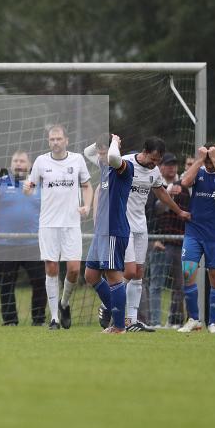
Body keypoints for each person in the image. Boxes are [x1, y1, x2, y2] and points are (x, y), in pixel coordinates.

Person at [23, 124, 92, 330]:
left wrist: (87, 205)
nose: (55, 142)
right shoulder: (41, 162)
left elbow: (87, 186)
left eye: (58, 139)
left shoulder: (77, 159)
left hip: (71, 224)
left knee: (73, 270)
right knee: (51, 268)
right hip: (48, 224)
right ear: (48, 141)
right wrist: (27, 188)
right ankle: (53, 318)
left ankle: (64, 303)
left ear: (66, 140)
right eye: (52, 139)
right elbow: (30, 187)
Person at [120, 138, 190, 332]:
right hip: (122, 226)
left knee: (139, 273)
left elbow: (161, 193)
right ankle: (111, 303)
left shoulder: (154, 171)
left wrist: (179, 211)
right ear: (144, 151)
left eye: (158, 161)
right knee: (129, 271)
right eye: (153, 159)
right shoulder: (125, 163)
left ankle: (131, 320)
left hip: (141, 227)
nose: (155, 164)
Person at [178, 143, 215, 333]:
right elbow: (184, 182)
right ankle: (194, 319)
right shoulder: (198, 172)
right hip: (194, 232)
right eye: (208, 159)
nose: (210, 163)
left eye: (214, 158)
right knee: (188, 272)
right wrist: (200, 160)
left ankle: (213, 322)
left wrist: (214, 158)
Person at [83, 134, 134, 334]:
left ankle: (120, 326)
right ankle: (115, 311)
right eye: (99, 148)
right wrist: (100, 142)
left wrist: (115, 141)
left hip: (114, 230)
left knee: (113, 276)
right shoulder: (104, 167)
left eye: (104, 149)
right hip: (101, 233)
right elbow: (87, 152)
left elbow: (113, 156)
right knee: (91, 275)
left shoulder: (122, 167)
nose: (100, 152)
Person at [0, 150, 46, 326]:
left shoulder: (38, 184)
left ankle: (39, 320)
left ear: (29, 165)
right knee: (6, 284)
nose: (18, 164)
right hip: (6, 243)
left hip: (33, 242)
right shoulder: (0, 183)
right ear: (11, 164)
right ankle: (10, 320)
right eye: (15, 161)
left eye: (22, 161)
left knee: (39, 282)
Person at [145, 153, 189, 327]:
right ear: (160, 167)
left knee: (180, 284)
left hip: (181, 241)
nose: (172, 167)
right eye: (168, 164)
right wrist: (153, 239)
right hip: (160, 241)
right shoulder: (154, 185)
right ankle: (155, 321)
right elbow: (151, 212)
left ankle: (175, 321)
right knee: (156, 284)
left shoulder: (185, 185)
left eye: (174, 164)